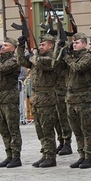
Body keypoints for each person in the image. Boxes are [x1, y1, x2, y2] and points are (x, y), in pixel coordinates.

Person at [17, 34, 59, 168]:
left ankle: (51, 156)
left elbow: (42, 62)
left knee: (47, 128)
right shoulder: (37, 57)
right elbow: (22, 61)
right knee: (39, 129)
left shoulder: (52, 57)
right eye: (40, 45)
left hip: (47, 97)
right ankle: (45, 153)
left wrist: (32, 55)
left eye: (43, 45)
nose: (40, 47)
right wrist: (20, 47)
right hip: (36, 97)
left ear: (50, 45)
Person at [0, 37, 22, 168]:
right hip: (0, 98)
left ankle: (16, 156)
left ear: (13, 48)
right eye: (2, 45)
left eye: (6, 45)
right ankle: (9, 155)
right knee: (4, 130)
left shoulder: (14, 60)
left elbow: (2, 69)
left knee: (13, 129)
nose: (2, 47)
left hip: (10, 98)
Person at [61, 32, 91, 169]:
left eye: (77, 43)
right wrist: (62, 52)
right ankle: (81, 155)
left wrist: (67, 58)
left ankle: (89, 157)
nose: (74, 45)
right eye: (73, 43)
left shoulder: (87, 57)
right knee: (77, 130)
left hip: (83, 99)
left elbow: (77, 67)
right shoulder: (71, 57)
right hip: (71, 99)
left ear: (84, 44)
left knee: (86, 130)